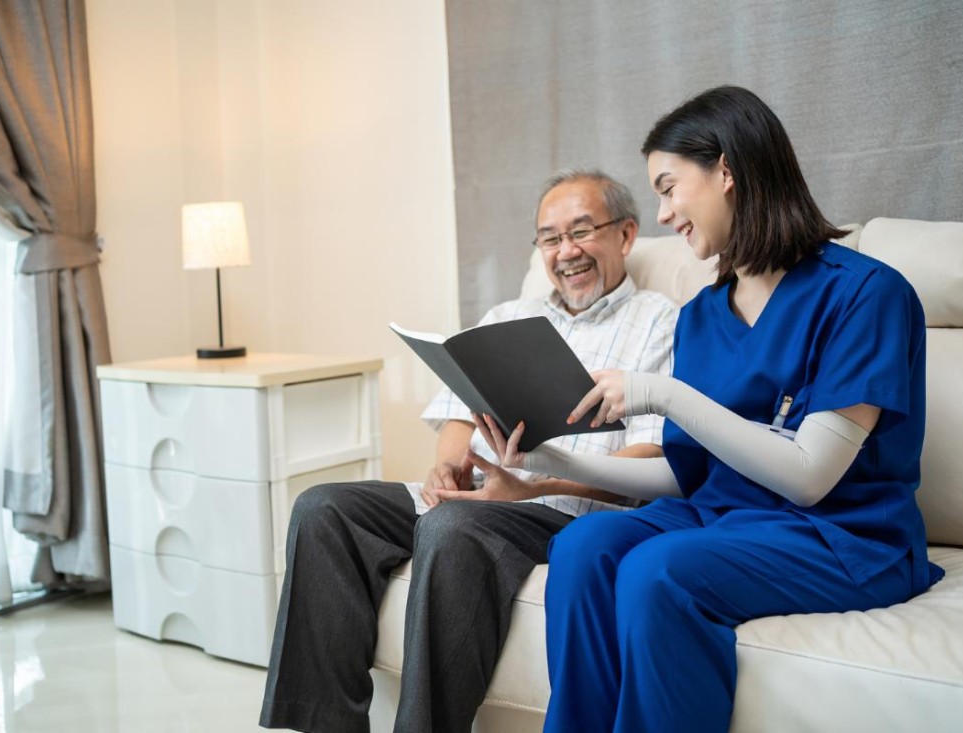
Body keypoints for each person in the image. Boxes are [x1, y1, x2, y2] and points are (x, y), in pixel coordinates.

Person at [476, 86, 944, 733]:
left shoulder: (866, 295)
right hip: (722, 515)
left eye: (669, 187)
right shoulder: (701, 316)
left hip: (844, 538)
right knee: (582, 544)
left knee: (658, 569)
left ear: (726, 170)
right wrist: (548, 457)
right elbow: (685, 472)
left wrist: (664, 392)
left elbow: (810, 475)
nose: (665, 213)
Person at [259, 170, 679, 733]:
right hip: (482, 495)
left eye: (582, 232)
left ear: (626, 235)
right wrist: (446, 467)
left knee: (453, 525)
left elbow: (650, 458)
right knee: (322, 507)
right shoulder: (508, 316)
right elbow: (458, 417)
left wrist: (533, 487)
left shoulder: (659, 321)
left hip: (562, 512)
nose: (566, 252)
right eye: (550, 239)